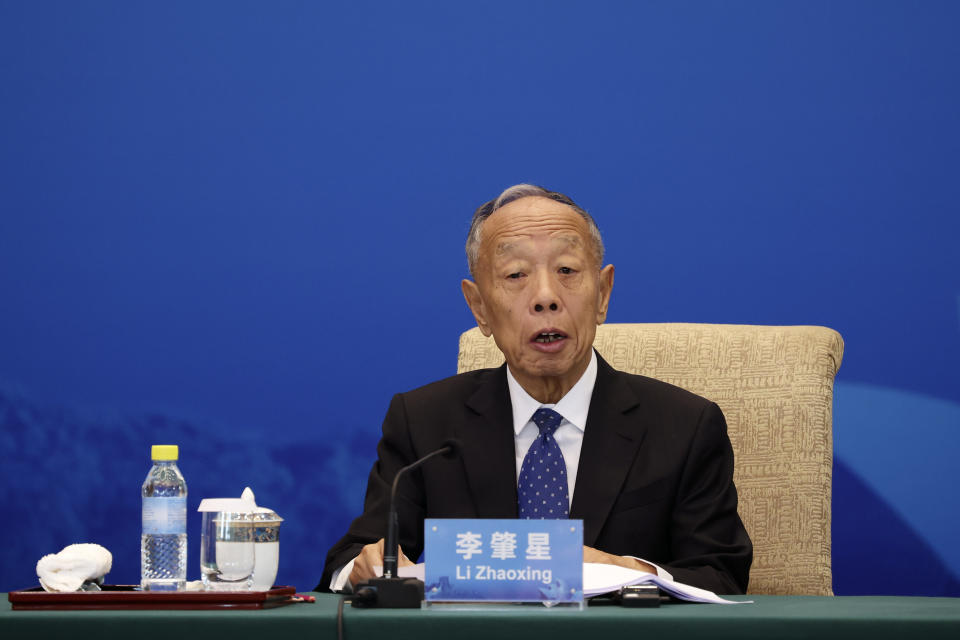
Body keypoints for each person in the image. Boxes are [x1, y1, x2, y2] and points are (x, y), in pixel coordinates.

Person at [319, 184, 752, 594]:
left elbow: (721, 576)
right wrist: (365, 569)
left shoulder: (683, 426)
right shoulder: (425, 424)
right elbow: (349, 561)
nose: (545, 296)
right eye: (515, 275)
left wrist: (624, 571)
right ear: (479, 308)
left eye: (566, 270)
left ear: (602, 294)